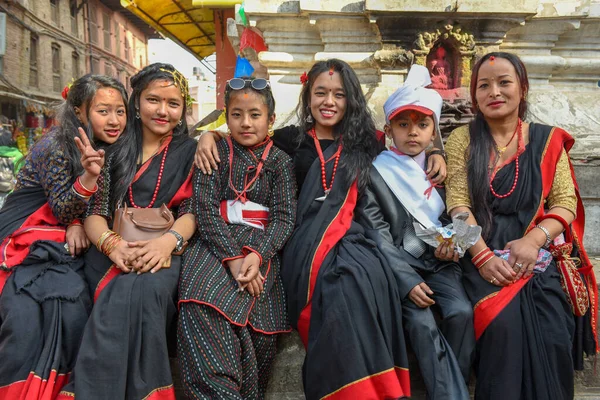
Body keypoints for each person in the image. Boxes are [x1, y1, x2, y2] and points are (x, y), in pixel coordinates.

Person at [193, 59, 447, 399]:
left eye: (339, 95)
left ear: (350, 99)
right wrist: (209, 136)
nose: (329, 102)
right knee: (339, 284)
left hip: (356, 237)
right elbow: (243, 135)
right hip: (303, 241)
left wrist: (436, 151)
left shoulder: (367, 143)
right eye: (321, 93)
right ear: (308, 96)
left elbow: (410, 144)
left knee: (363, 281)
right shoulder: (286, 140)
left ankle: (369, 388)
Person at [445, 51, 597, 400]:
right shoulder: (462, 140)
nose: (494, 92)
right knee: (503, 328)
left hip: (536, 255)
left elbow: (564, 202)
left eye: (504, 82)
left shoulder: (547, 140)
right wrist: (483, 258)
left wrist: (532, 241)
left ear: (523, 89)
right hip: (481, 255)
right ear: (475, 96)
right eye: (484, 86)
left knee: (553, 327)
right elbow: (458, 205)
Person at [57, 63, 197, 400]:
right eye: (153, 100)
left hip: (166, 249)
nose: (163, 111)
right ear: (136, 103)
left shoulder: (193, 152)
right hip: (108, 250)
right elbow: (95, 213)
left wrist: (167, 243)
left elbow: (194, 210)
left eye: (173, 103)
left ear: (183, 109)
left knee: (147, 291)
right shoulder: (113, 148)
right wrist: (112, 245)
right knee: (115, 291)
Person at [0, 75, 127, 399]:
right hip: (28, 232)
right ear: (79, 112)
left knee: (78, 304)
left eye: (120, 111)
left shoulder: (110, 149)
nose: (114, 120)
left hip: (71, 235)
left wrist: (78, 220)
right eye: (103, 111)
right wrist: (85, 182)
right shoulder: (54, 146)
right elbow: (61, 207)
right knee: (35, 310)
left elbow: (96, 207)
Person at [356, 64, 473, 398]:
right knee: (422, 323)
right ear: (388, 129)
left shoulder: (442, 169)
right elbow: (377, 234)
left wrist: (457, 245)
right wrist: (406, 282)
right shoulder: (375, 173)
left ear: (433, 130)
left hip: (442, 263)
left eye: (422, 124)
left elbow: (461, 212)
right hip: (401, 267)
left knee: (460, 313)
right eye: (403, 124)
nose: (413, 132)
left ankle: (455, 388)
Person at [177, 77, 297, 399]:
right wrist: (232, 257)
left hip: (261, 247)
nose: (246, 123)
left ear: (271, 119)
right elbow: (203, 207)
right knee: (200, 297)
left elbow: (284, 218)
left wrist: (256, 256)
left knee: (255, 314)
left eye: (255, 115)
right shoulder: (214, 151)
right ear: (226, 117)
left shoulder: (281, 162)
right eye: (236, 114)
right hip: (214, 243)